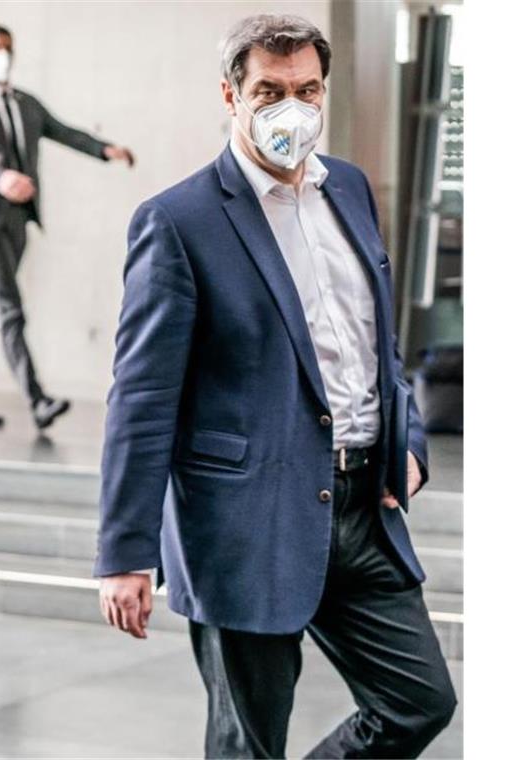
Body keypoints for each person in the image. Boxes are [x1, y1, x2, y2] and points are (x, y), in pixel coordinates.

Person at [94, 15, 456, 758]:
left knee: (419, 704)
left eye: (307, 90)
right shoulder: (179, 221)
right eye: (269, 90)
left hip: (362, 510)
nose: (292, 107)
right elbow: (141, 399)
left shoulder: (349, 189)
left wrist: (407, 439)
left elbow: (376, 346)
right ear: (230, 95)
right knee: (248, 744)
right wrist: (124, 552)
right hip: (244, 521)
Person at [0, 24, 135, 431]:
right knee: (10, 312)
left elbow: (62, 131)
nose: (3, 55)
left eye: (8, 48)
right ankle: (37, 400)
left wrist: (105, 150)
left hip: (19, 220)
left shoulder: (26, 104)